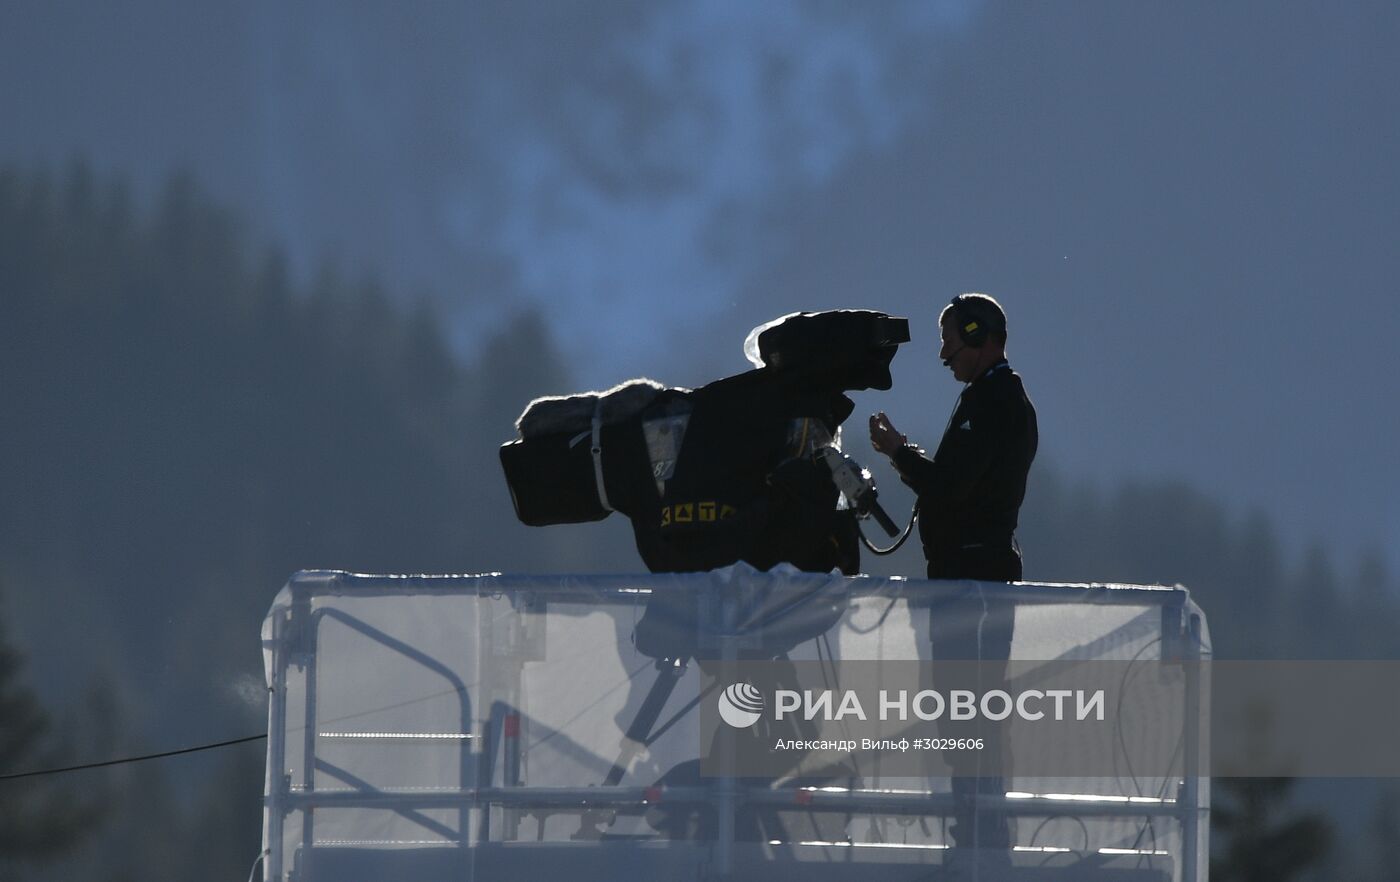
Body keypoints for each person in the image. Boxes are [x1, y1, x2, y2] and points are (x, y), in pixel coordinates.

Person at [868, 292, 1037, 862]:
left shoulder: (994, 403)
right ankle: (978, 837)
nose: (943, 354)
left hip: (974, 584)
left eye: (950, 340)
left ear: (978, 335)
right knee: (965, 713)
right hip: (970, 578)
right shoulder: (992, 398)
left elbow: (949, 486)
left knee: (972, 714)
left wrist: (898, 452)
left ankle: (981, 842)